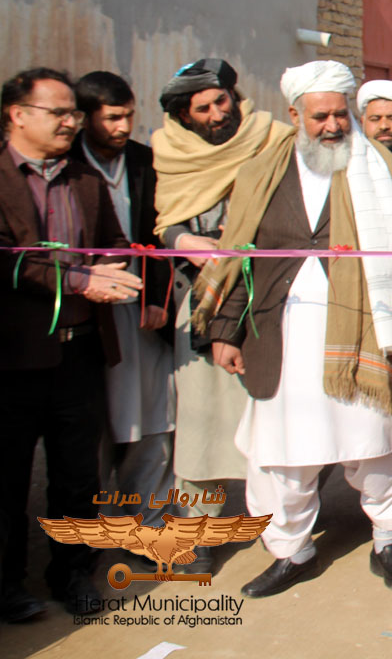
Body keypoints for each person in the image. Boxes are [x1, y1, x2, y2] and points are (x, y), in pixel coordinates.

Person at [196, 60, 392, 598]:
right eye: (320, 116)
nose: (333, 125)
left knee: (379, 442)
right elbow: (242, 256)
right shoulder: (262, 173)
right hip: (280, 335)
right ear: (294, 114)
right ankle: (292, 551)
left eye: (340, 114)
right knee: (285, 451)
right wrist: (223, 329)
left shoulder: (383, 170)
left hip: (366, 334)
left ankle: (390, 540)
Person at [0, 68, 143, 620]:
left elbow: (111, 242)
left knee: (77, 476)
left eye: (73, 113)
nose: (70, 122)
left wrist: (117, 265)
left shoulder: (84, 179)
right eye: (57, 112)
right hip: (12, 357)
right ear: (17, 114)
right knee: (7, 478)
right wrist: (82, 280)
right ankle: (9, 584)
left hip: (79, 352)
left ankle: (73, 573)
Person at [152, 58, 294, 572]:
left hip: (268, 296)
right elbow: (164, 218)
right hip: (203, 299)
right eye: (204, 108)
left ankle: (282, 526)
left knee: (276, 417)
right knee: (200, 426)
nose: (218, 113)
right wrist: (177, 240)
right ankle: (199, 535)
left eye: (222, 101)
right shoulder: (170, 152)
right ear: (184, 117)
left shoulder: (273, 137)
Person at [71, 71, 175, 532]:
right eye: (112, 117)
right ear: (85, 118)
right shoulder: (67, 164)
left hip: (142, 315)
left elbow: (161, 232)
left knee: (153, 416)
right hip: (85, 316)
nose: (122, 126)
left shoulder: (145, 161)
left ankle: (149, 521)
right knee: (91, 424)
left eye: (128, 116)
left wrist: (156, 296)